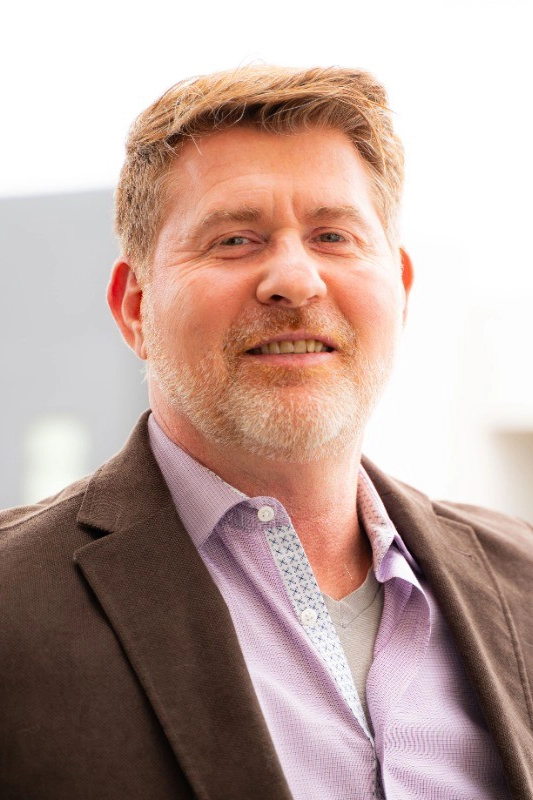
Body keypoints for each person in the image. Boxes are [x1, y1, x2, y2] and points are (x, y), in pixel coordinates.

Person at [1, 65, 532, 800]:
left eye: (333, 235)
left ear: (401, 291)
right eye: (235, 240)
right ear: (133, 308)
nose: (294, 279)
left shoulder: (523, 582)